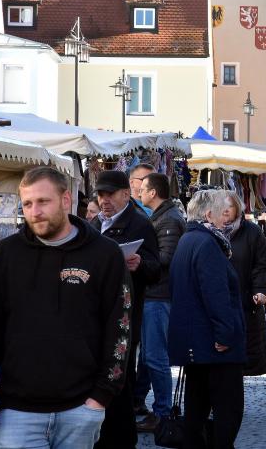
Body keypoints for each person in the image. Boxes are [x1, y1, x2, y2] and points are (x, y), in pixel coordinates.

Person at [0, 167, 132, 449]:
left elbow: (120, 329)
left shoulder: (105, 254)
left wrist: (101, 397)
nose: (34, 211)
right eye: (27, 204)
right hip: (18, 410)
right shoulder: (5, 255)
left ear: (66, 200)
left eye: (43, 201)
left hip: (81, 409)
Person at [168, 190, 246, 448]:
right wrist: (225, 334)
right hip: (214, 345)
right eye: (222, 211)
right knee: (227, 409)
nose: (226, 217)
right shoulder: (206, 243)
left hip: (198, 343)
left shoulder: (189, 239)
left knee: (197, 407)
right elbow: (215, 293)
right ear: (208, 213)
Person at [90, 170, 161, 448]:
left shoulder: (140, 224)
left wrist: (140, 264)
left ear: (125, 194)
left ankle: (121, 440)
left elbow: (157, 270)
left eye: (110, 194)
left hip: (125, 318)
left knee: (120, 382)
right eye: (101, 195)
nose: (104, 200)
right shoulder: (95, 223)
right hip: (94, 318)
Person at [134, 172, 186, 432]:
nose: (140, 192)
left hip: (159, 294)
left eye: (143, 188)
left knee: (155, 357)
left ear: (153, 192)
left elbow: (166, 258)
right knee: (147, 356)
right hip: (154, 293)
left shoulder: (169, 219)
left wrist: (138, 258)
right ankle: (137, 400)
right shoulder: (163, 216)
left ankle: (163, 413)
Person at [222, 191, 266, 377]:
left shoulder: (252, 231)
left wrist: (259, 290)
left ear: (238, 208)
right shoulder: (211, 231)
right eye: (222, 207)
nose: (225, 211)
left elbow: (261, 265)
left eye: (230, 206)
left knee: (241, 362)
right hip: (218, 303)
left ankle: (233, 404)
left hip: (244, 303)